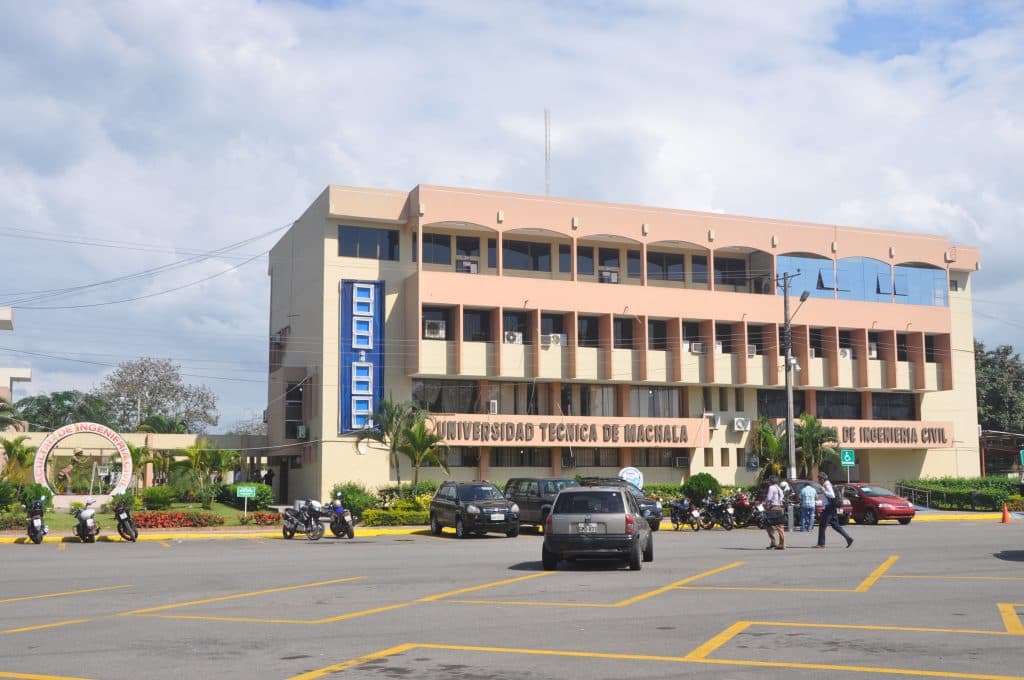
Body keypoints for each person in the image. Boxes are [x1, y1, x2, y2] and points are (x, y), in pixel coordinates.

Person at [814, 472, 853, 549]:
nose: (818, 481)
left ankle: (821, 544)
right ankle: (848, 538)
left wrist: (824, 491)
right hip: (831, 507)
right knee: (836, 525)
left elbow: (832, 495)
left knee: (822, 526)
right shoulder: (827, 484)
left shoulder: (826, 484)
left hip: (829, 508)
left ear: (822, 479)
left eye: (819, 479)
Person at [764, 476, 786, 550]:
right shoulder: (779, 488)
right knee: (780, 527)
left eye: (769, 481)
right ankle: (782, 544)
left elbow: (769, 498)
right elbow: (782, 497)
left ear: (771, 481)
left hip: (773, 508)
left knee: (768, 525)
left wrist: (765, 503)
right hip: (780, 507)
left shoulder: (771, 487)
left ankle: (773, 542)